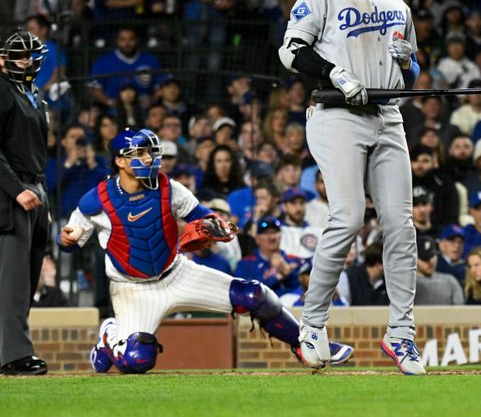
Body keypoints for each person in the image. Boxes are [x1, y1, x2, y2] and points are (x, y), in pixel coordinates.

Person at [57, 129, 352, 374]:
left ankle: (305, 346)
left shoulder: (167, 187)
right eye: (140, 154)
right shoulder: (96, 199)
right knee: (137, 361)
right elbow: (69, 240)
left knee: (253, 295)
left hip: (176, 272)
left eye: (150, 152)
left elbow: (202, 214)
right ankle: (110, 334)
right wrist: (66, 240)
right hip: (133, 289)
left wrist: (215, 226)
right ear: (120, 161)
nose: (148, 159)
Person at [278, 0, 424, 375]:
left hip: (388, 116)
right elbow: (290, 50)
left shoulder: (398, 5)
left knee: (401, 226)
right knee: (349, 216)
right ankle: (312, 324)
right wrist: (335, 73)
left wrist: (409, 64)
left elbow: (412, 75)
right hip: (337, 114)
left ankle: (401, 336)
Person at [0, 29, 50, 376]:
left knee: (28, 276)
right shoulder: (2, 91)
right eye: (20, 57)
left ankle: (12, 349)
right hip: (12, 193)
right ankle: (13, 355)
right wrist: (16, 189)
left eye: (31, 56)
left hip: (36, 187)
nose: (27, 62)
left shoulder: (31, 92)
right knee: (13, 279)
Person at [414, 236, 464, 306]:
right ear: (414, 259)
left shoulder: (450, 281)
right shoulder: (408, 284)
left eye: (432, 256)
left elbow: (461, 311)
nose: (430, 261)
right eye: (424, 259)